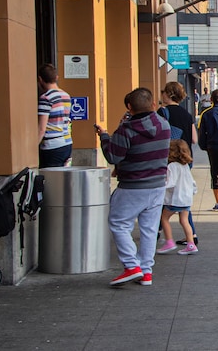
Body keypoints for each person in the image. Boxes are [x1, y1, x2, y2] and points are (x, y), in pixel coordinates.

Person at [95, 87, 169, 287]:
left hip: (132, 186)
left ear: (129, 107)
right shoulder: (164, 125)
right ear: (153, 104)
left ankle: (131, 265)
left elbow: (113, 156)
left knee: (119, 223)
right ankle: (146, 272)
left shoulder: (125, 130)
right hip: (157, 185)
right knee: (149, 229)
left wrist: (104, 137)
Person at [158, 81, 198, 245]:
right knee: (183, 195)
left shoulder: (163, 112)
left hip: (169, 159)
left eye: (163, 93)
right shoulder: (187, 114)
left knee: (163, 194)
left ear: (168, 94)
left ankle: (158, 230)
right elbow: (194, 139)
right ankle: (192, 235)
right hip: (186, 158)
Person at [157, 140, 198, 256]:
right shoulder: (185, 166)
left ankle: (169, 241)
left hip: (175, 198)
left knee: (164, 218)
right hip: (186, 198)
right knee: (184, 220)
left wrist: (161, 186)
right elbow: (192, 182)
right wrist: (193, 191)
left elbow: (170, 183)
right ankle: (191, 244)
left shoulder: (172, 166)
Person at [36, 63, 72, 168]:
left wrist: (32, 149)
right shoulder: (66, 95)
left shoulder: (46, 98)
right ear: (56, 78)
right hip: (67, 142)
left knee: (51, 180)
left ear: (40, 79)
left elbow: (41, 128)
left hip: (52, 146)